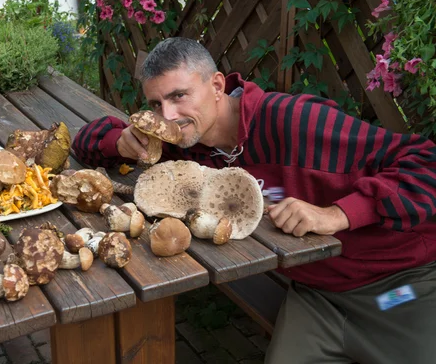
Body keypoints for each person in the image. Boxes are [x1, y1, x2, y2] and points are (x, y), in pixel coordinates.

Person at [72, 37, 436, 364]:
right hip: (315, 295)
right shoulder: (185, 144)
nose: (167, 115)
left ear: (216, 86)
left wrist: (337, 214)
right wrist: (118, 143)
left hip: (398, 286)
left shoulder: (294, 122)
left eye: (179, 95)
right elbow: (86, 141)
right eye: (156, 102)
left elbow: (426, 162)